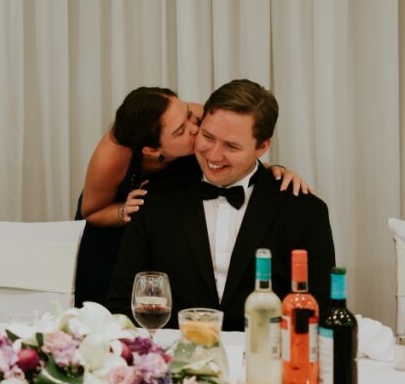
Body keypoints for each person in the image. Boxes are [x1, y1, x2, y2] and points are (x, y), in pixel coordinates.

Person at [105, 79, 335, 330]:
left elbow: (318, 312)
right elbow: (122, 305)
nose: (213, 155)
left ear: (262, 146)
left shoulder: (305, 211)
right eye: (207, 136)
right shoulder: (153, 198)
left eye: (231, 146)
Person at [74, 86, 308, 307]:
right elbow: (91, 212)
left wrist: (272, 170)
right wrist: (124, 211)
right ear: (152, 150)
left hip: (170, 212)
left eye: (188, 115)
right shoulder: (112, 157)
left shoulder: (193, 117)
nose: (195, 129)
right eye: (180, 131)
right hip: (109, 224)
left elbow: (238, 142)